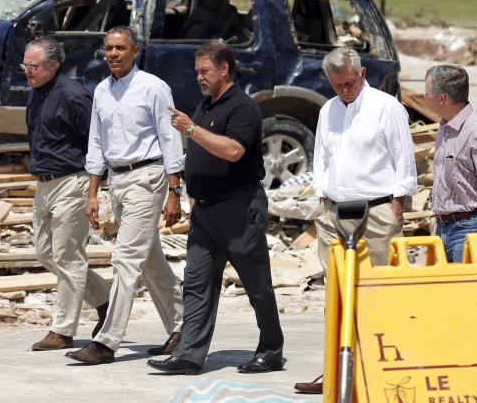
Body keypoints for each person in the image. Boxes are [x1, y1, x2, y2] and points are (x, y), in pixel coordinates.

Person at [147, 40, 284, 375]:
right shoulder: (205, 106)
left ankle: (271, 348)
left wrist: (191, 129)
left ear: (224, 69)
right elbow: (199, 156)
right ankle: (190, 354)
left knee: (256, 285)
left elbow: (233, 151)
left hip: (238, 208)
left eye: (204, 71)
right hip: (206, 211)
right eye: (196, 72)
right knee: (196, 282)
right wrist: (189, 195)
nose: (199, 78)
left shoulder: (243, 108)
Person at [294, 47, 417, 395]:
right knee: (336, 294)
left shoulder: (387, 108)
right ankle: (334, 370)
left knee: (381, 293)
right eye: (337, 84)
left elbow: (404, 159)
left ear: (361, 75)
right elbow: (322, 158)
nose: (344, 90)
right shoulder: (327, 110)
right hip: (334, 213)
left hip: (377, 211)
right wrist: (322, 199)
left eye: (349, 82)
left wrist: (397, 203)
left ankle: (383, 367)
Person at [66, 26, 184, 365]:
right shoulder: (102, 90)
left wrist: (175, 191)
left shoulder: (153, 88)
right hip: (116, 180)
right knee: (151, 261)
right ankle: (184, 328)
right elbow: (97, 144)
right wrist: (93, 193)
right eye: (108, 48)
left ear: (135, 51)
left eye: (120, 48)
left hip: (148, 177)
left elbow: (170, 138)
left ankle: (106, 341)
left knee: (126, 259)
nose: (113, 54)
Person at [23, 38, 111, 350]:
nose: (27, 72)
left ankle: (62, 330)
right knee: (47, 253)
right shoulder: (35, 94)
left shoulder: (73, 95)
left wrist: (95, 189)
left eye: (33, 67)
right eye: (25, 66)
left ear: (52, 65)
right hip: (44, 184)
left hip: (72, 182)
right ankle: (106, 302)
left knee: (68, 256)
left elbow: (97, 140)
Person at [423, 65, 477, 262]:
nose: (424, 97)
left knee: (472, 292)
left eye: (427, 93)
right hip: (445, 230)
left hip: (471, 231)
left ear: (441, 98)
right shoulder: (446, 127)